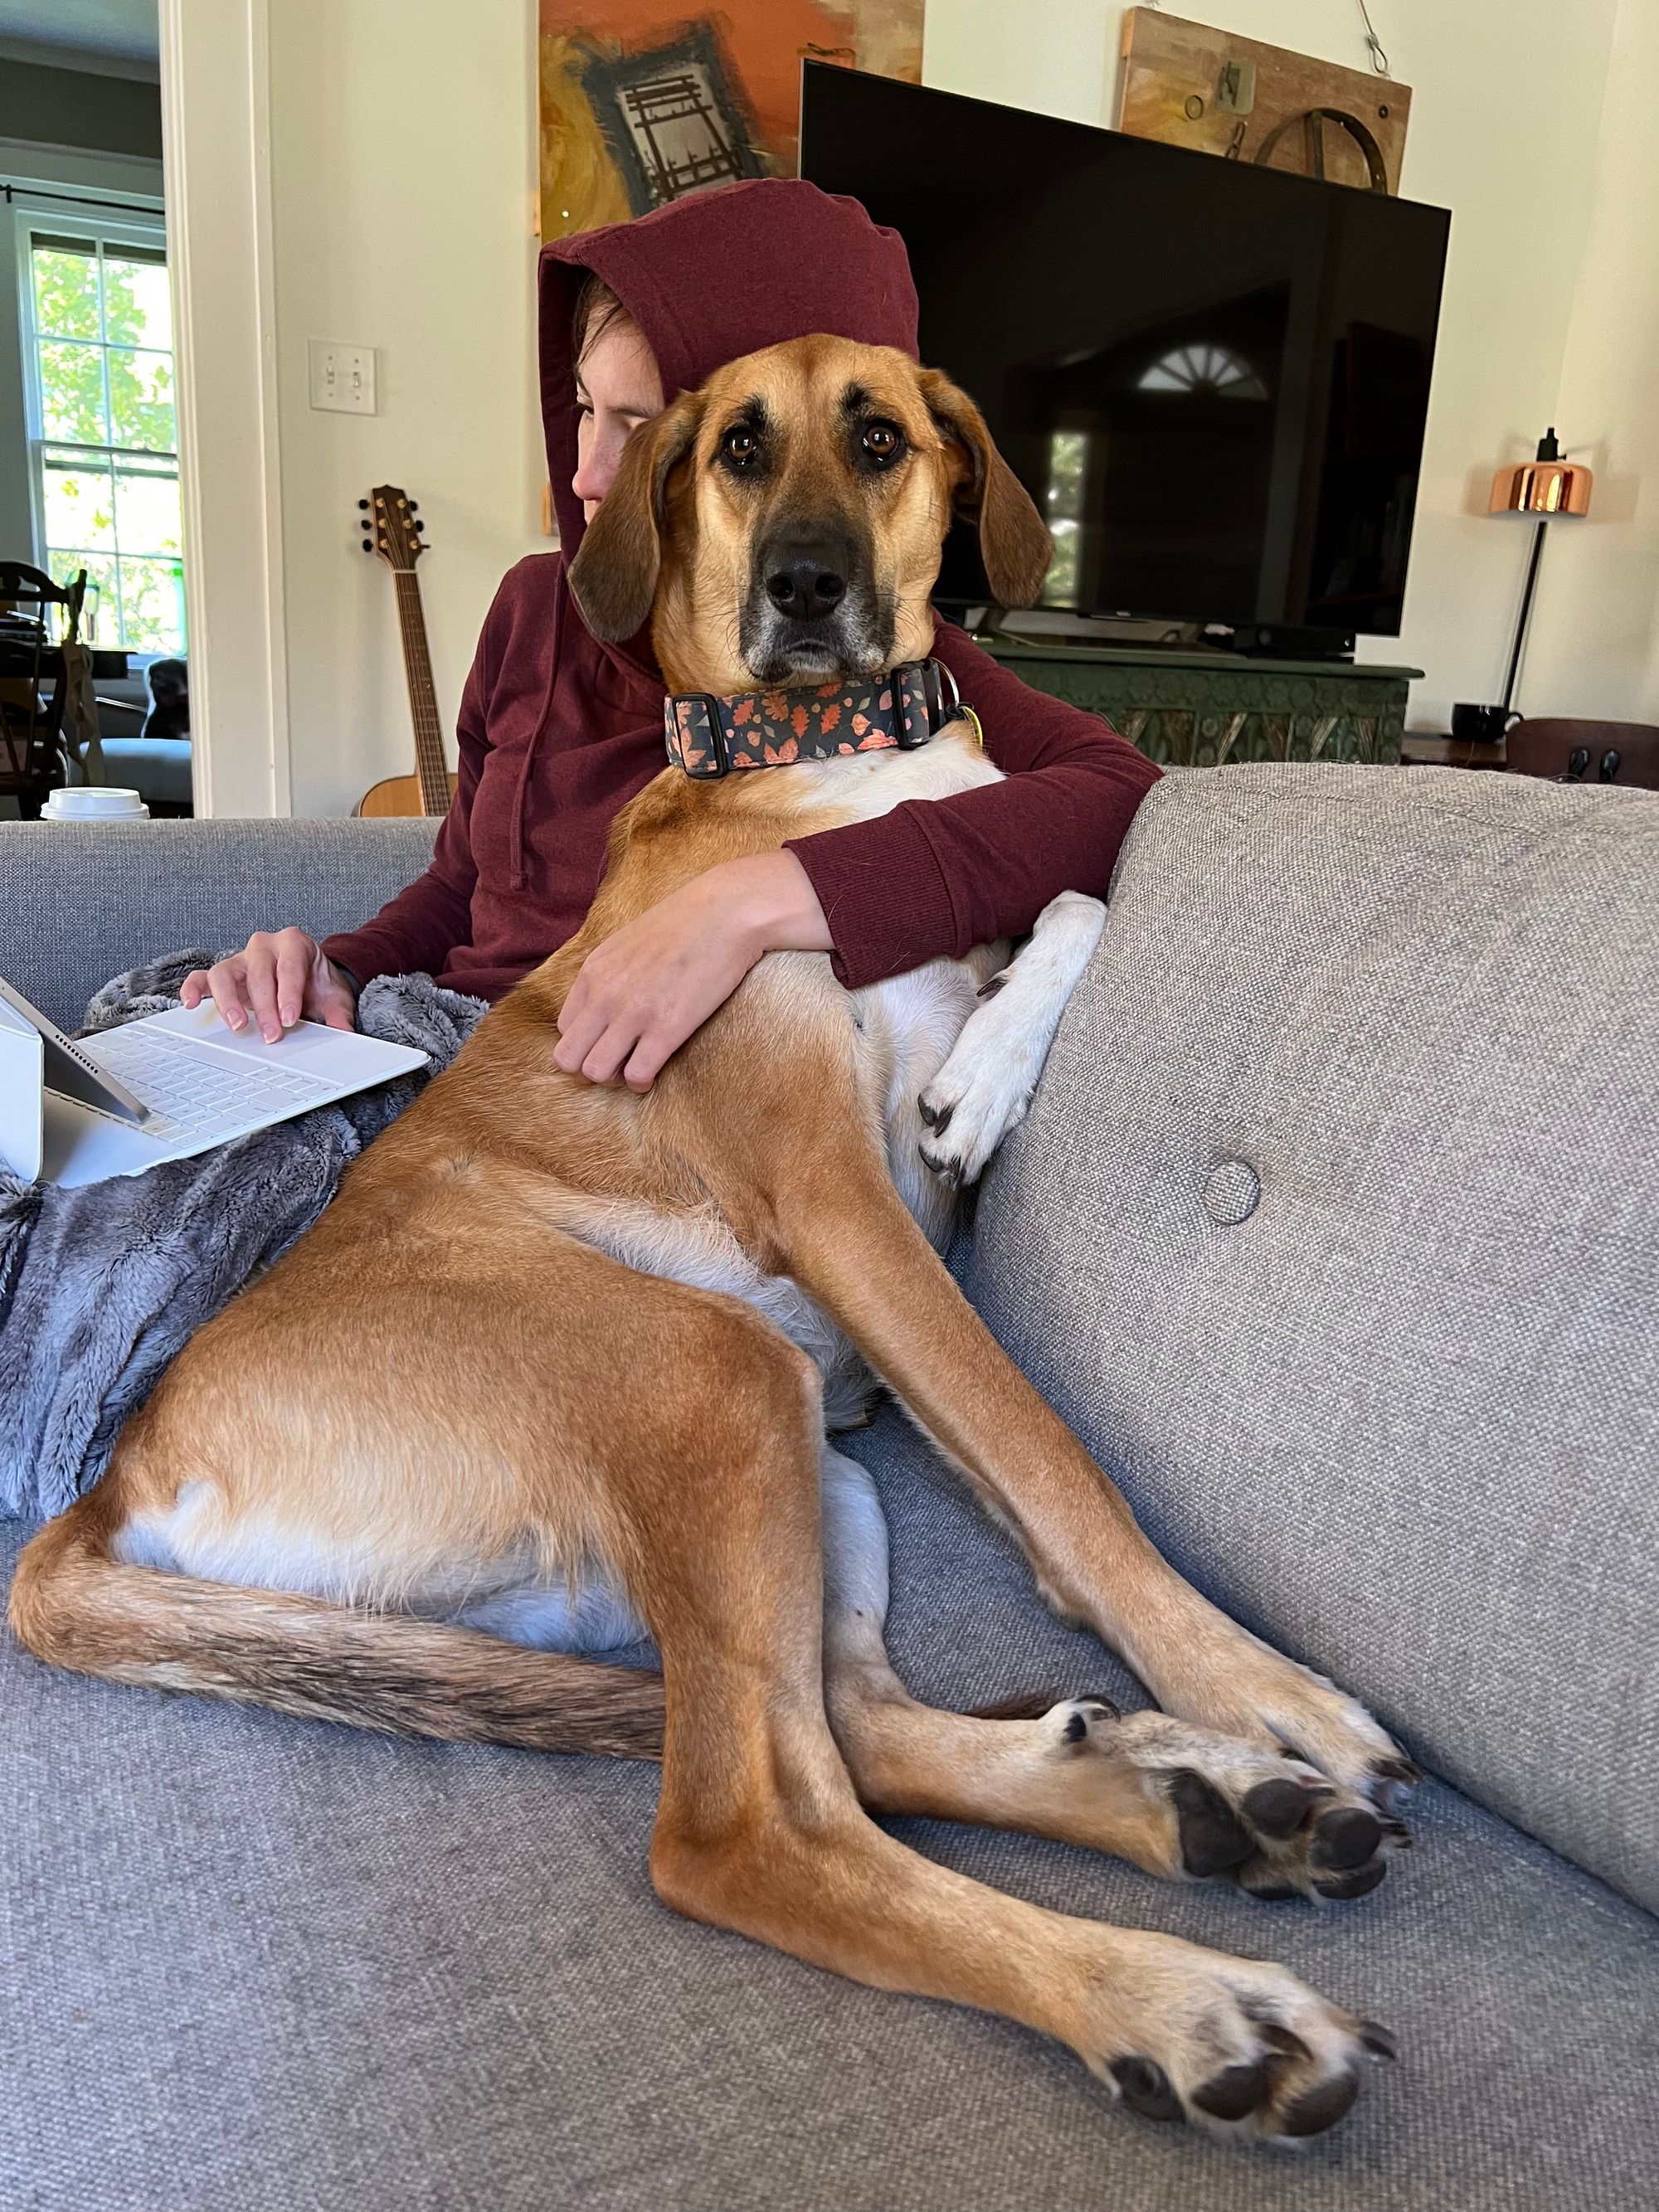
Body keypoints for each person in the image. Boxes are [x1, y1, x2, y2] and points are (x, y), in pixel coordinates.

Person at [182, 180, 1161, 1094]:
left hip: (619, 1101)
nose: (587, 475)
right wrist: (335, 965)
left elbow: (1118, 800)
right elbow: (460, 883)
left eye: (639, 426)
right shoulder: (533, 607)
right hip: (436, 1042)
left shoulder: (894, 669)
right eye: (583, 411)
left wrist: (757, 898)